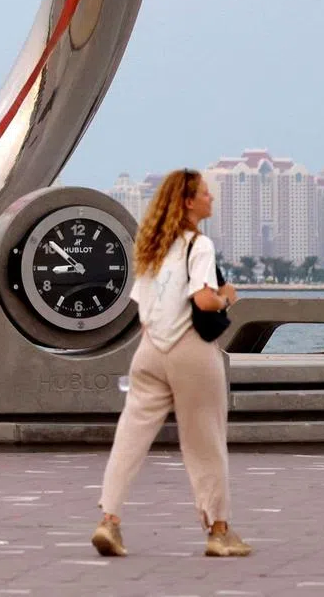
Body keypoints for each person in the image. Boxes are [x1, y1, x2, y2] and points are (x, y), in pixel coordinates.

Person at [92, 168, 251, 560]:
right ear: (187, 202)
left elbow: (141, 306)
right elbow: (202, 300)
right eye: (204, 193)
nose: (210, 198)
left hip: (148, 351)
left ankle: (109, 521)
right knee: (205, 442)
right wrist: (227, 296)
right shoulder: (199, 245)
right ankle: (218, 530)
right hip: (190, 350)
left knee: (129, 437)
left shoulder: (149, 247)